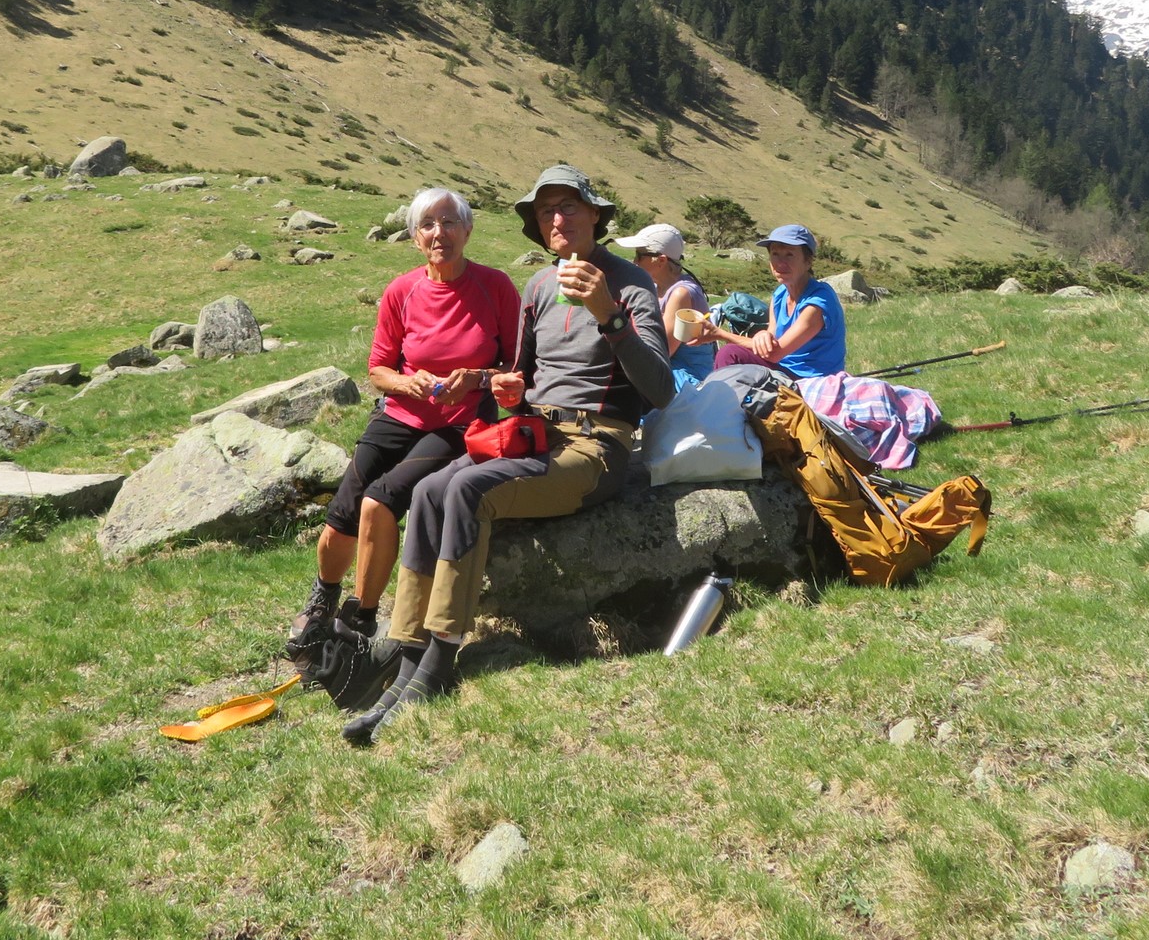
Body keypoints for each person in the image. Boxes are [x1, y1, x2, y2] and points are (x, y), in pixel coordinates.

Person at [342, 164, 676, 745]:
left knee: (469, 491)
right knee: (427, 489)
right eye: (545, 210)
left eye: (568, 206)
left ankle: (439, 663)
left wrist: (611, 316)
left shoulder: (628, 285)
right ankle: (408, 651)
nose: (556, 218)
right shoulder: (540, 288)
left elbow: (661, 388)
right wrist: (511, 388)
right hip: (533, 435)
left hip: (598, 447)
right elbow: (520, 372)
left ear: (595, 215)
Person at [287, 187, 519, 661]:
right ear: (415, 237)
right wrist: (408, 383)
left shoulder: (495, 288)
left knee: (380, 500)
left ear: (468, 230)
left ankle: (360, 622)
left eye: (450, 222)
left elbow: (519, 369)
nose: (440, 233)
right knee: (342, 513)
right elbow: (377, 369)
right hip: (400, 414)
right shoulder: (402, 290)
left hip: (459, 424)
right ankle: (322, 601)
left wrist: (476, 378)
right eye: (429, 225)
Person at [697, 223, 846, 379]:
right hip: (783, 369)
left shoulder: (818, 301)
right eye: (775, 254)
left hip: (811, 379)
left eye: (789, 254)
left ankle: (719, 401)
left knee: (730, 353)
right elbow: (770, 342)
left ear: (808, 261)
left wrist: (719, 334)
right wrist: (763, 335)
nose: (781, 263)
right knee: (730, 356)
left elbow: (774, 354)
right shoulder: (780, 294)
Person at [613, 222, 714, 389]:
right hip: (667, 370)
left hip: (686, 380)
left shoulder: (680, 294)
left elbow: (661, 352)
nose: (634, 261)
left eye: (639, 255)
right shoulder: (657, 288)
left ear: (660, 261)